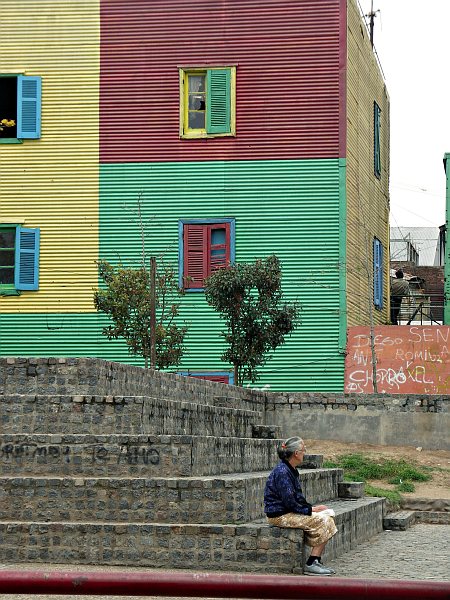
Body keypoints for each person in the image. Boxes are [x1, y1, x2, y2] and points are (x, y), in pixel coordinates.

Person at [264, 436, 337, 576]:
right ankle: (311, 563)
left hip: (287, 511)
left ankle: (315, 560)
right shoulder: (282, 472)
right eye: (304, 450)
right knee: (325, 520)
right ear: (296, 453)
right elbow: (289, 502)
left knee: (328, 515)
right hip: (280, 516)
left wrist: (312, 508)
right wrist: (311, 510)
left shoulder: (290, 469)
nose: (305, 453)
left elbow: (297, 498)